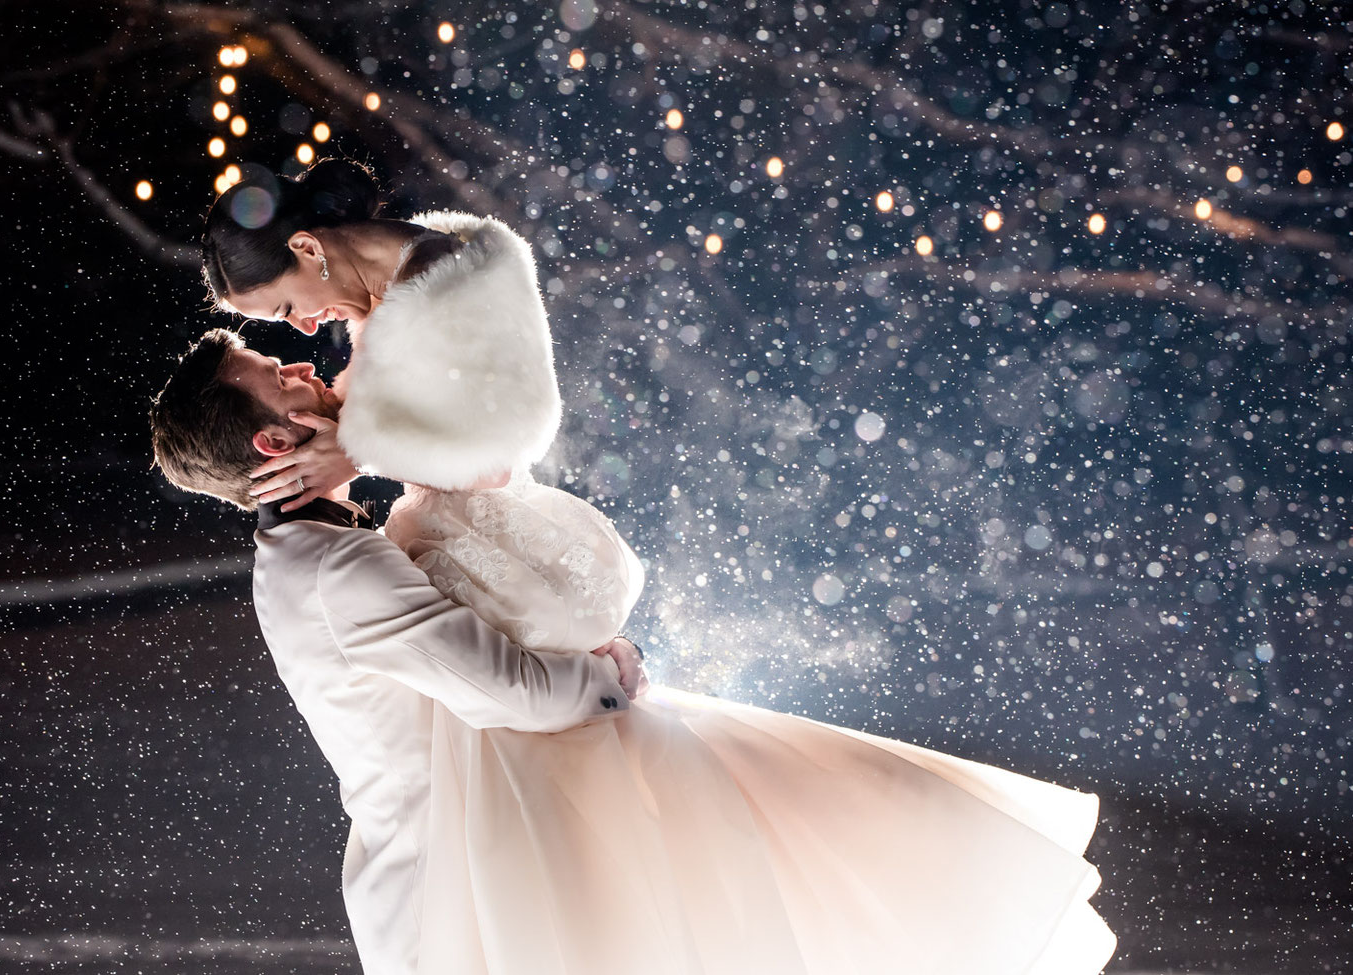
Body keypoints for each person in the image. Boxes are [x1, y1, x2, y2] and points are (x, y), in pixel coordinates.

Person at [150, 325, 1116, 974]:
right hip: (462, 875)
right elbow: (512, 691)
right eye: (274, 378)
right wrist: (609, 673)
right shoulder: (334, 572)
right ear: (275, 443)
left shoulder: (324, 546)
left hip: (507, 826)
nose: (300, 368)